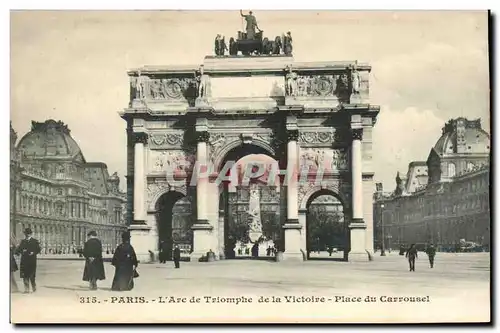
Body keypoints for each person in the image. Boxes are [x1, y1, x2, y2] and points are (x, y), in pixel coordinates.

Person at [15, 228, 41, 293]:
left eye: (29, 234)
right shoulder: (23, 241)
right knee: (25, 275)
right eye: (27, 234)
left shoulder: (35, 241)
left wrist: (34, 252)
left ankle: (33, 287)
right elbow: (19, 250)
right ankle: (26, 289)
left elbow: (38, 249)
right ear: (25, 234)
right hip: (24, 260)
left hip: (32, 260)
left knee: (32, 275)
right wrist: (20, 251)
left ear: (31, 234)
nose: (28, 235)